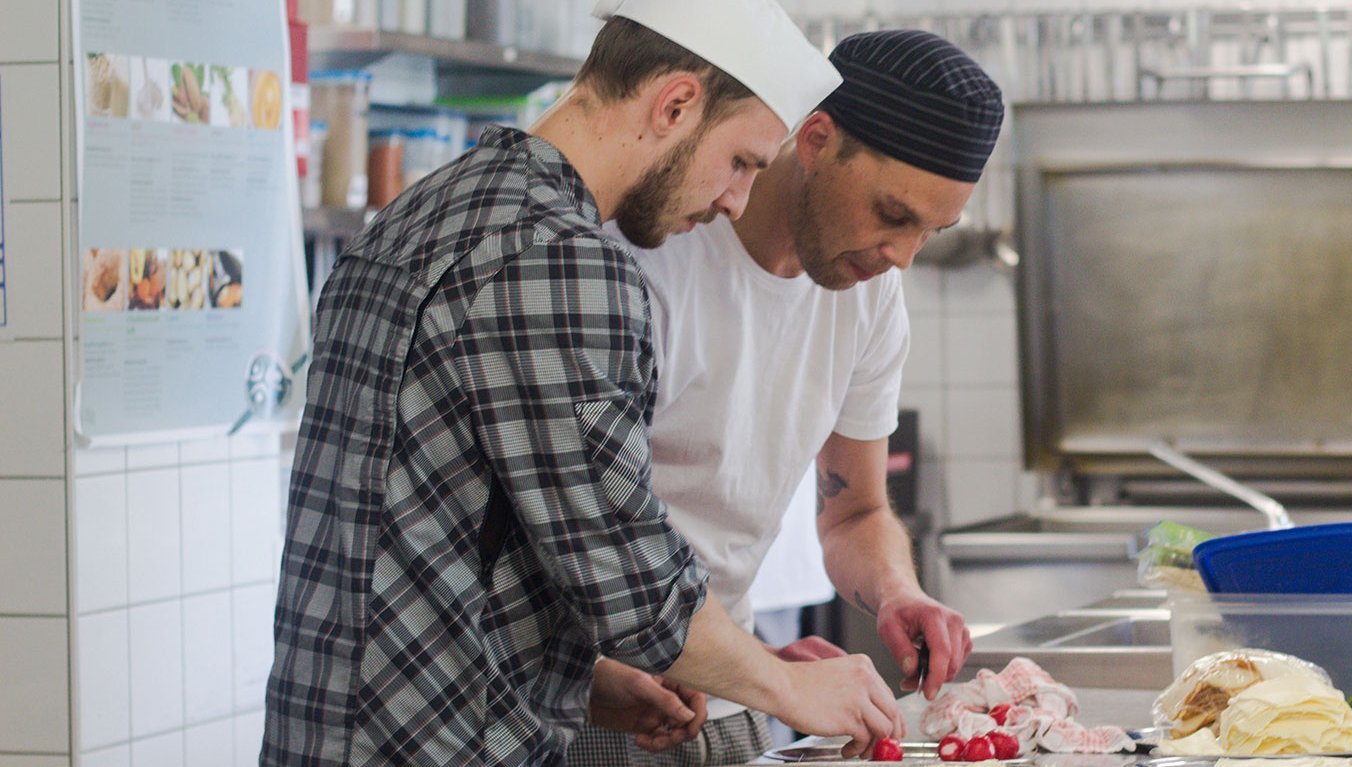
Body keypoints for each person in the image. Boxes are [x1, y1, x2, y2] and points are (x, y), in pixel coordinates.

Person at [260, 3, 907, 765]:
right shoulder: (561, 258)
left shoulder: (414, 216)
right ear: (675, 104)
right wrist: (790, 688)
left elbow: (434, 534)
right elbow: (631, 578)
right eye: (740, 162)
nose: (735, 199)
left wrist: (585, 680)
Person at [567, 29, 1004, 767]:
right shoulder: (642, 258)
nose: (902, 255)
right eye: (893, 213)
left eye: (932, 231)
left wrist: (896, 591)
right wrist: (763, 670)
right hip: (598, 705)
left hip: (732, 702)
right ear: (816, 138)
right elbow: (594, 547)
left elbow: (855, 510)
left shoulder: (869, 295)